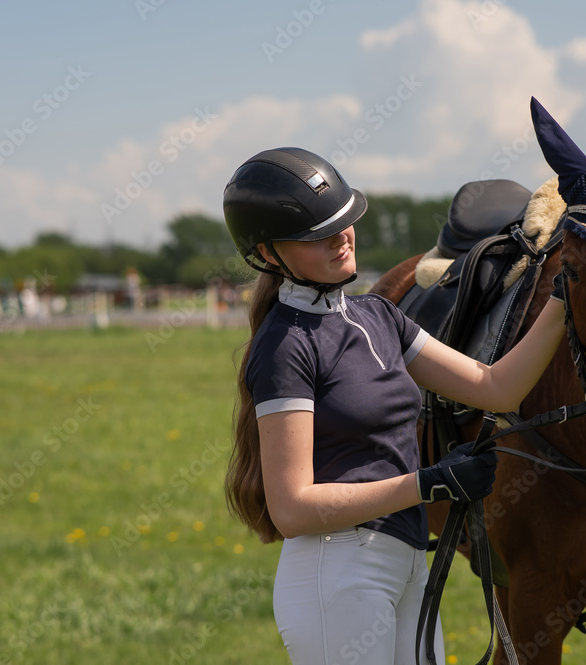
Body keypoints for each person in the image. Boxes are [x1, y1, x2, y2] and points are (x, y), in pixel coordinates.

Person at [223, 147, 565, 665]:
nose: (341, 236)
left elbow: (496, 388)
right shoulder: (285, 345)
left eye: (344, 220)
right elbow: (292, 507)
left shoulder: (380, 316)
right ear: (269, 255)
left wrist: (567, 295)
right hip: (336, 572)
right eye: (318, 234)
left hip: (407, 566)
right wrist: (428, 484)